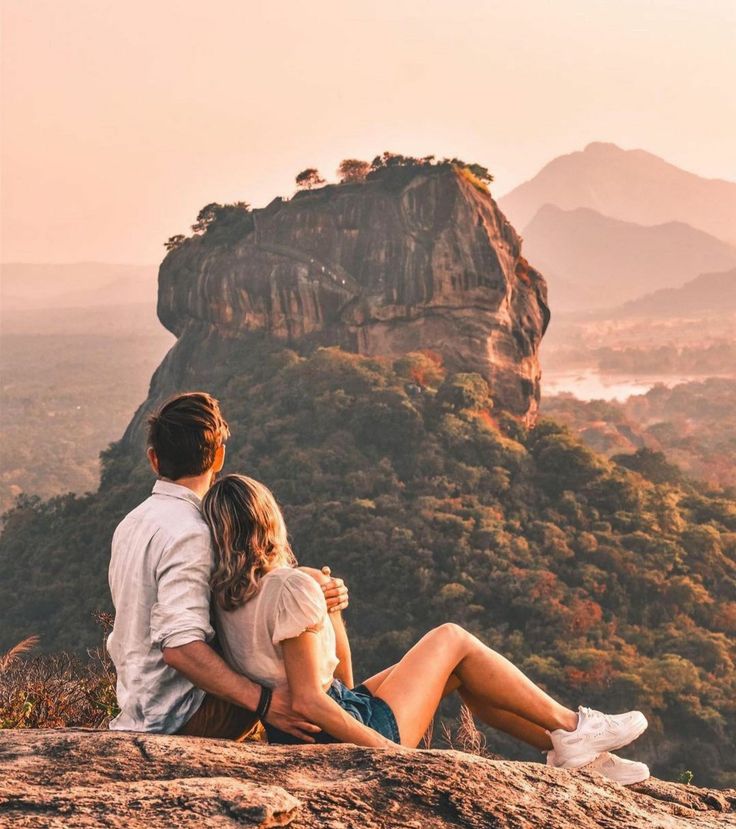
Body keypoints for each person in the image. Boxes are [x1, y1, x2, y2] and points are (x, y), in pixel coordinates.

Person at [202, 473, 651, 785]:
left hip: (311, 728)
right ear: (269, 521)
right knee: (451, 637)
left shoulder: (226, 597)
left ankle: (578, 756)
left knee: (459, 670)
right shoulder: (289, 586)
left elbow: (339, 682)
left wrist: (330, 611)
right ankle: (574, 726)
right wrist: (391, 755)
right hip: (337, 731)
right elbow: (309, 699)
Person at [106, 391, 348, 740]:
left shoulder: (132, 522)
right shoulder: (194, 531)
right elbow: (180, 647)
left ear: (154, 460)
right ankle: (353, 724)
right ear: (219, 456)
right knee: (294, 665)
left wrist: (306, 581)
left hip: (140, 708)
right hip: (183, 717)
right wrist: (264, 702)